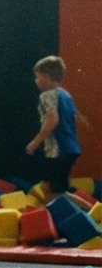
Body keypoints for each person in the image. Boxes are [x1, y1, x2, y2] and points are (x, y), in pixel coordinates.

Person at [25, 54, 81, 198]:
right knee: (50, 187)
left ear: (47, 76)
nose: (36, 81)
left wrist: (35, 142)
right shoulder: (65, 95)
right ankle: (91, 210)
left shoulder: (47, 95)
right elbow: (74, 116)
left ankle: (58, 219)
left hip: (58, 150)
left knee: (54, 193)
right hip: (70, 148)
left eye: (38, 77)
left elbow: (53, 119)